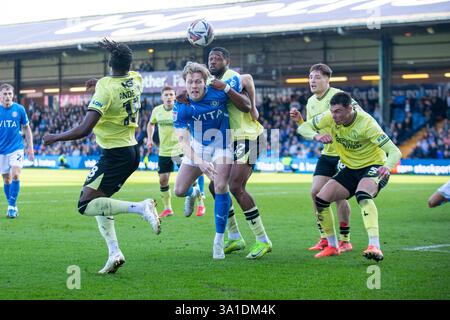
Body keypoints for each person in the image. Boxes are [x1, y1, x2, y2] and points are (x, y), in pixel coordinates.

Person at [43, 39, 161, 274]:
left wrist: (54, 137)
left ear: (109, 63)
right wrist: (100, 81)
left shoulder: (106, 88)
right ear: (130, 63)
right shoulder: (136, 78)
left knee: (84, 205)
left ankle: (142, 207)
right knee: (98, 202)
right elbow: (119, 84)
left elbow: (84, 129)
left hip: (115, 155)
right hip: (130, 150)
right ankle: (114, 253)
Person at [297, 92, 402, 261]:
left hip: (373, 167)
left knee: (363, 195)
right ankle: (333, 246)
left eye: (338, 111)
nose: (334, 115)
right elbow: (302, 127)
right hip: (351, 168)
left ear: (349, 109)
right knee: (320, 199)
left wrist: (387, 167)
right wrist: (317, 136)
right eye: (332, 111)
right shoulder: (329, 118)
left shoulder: (367, 124)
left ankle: (374, 245)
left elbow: (395, 151)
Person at [173, 61, 251, 260]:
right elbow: (182, 141)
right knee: (179, 191)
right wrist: (200, 162)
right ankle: (194, 192)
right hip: (197, 147)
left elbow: (247, 79)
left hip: (222, 145)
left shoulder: (218, 91)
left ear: (205, 82)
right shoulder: (181, 104)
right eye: (190, 82)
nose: (194, 86)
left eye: (198, 81)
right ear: (185, 83)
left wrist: (254, 109)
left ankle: (218, 240)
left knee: (220, 185)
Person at [207, 47, 272, 259]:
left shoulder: (231, 77)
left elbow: (245, 89)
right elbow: (250, 78)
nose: (213, 61)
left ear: (227, 61)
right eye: (210, 58)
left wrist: (252, 106)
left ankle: (263, 240)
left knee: (235, 185)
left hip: (250, 137)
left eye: (217, 58)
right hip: (231, 140)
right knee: (215, 186)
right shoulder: (211, 81)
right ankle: (235, 236)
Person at [290, 63, 353, 253]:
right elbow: (313, 128)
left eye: (317, 77)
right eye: (310, 77)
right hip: (327, 154)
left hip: (345, 154)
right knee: (315, 193)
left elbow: (354, 117)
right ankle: (325, 237)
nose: (312, 81)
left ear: (327, 79)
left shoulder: (339, 96)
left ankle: (345, 240)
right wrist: (301, 121)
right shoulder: (310, 101)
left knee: (339, 197)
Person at [146, 86, 205, 218]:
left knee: (191, 180)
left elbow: (191, 125)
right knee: (163, 180)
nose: (168, 97)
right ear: (162, 97)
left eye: (171, 95)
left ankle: (201, 204)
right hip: (164, 151)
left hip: (181, 150)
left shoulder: (180, 109)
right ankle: (168, 208)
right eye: (166, 95)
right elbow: (151, 124)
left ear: (174, 96)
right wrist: (149, 139)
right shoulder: (157, 111)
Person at [0, 83, 35, 218]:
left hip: (16, 148)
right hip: (1, 150)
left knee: (15, 175)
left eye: (9, 93)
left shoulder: (19, 109)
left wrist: (30, 148)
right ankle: (12, 205)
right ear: (0, 95)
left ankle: (11, 207)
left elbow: (26, 128)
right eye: (5, 93)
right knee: (6, 179)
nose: (7, 96)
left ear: (13, 95)